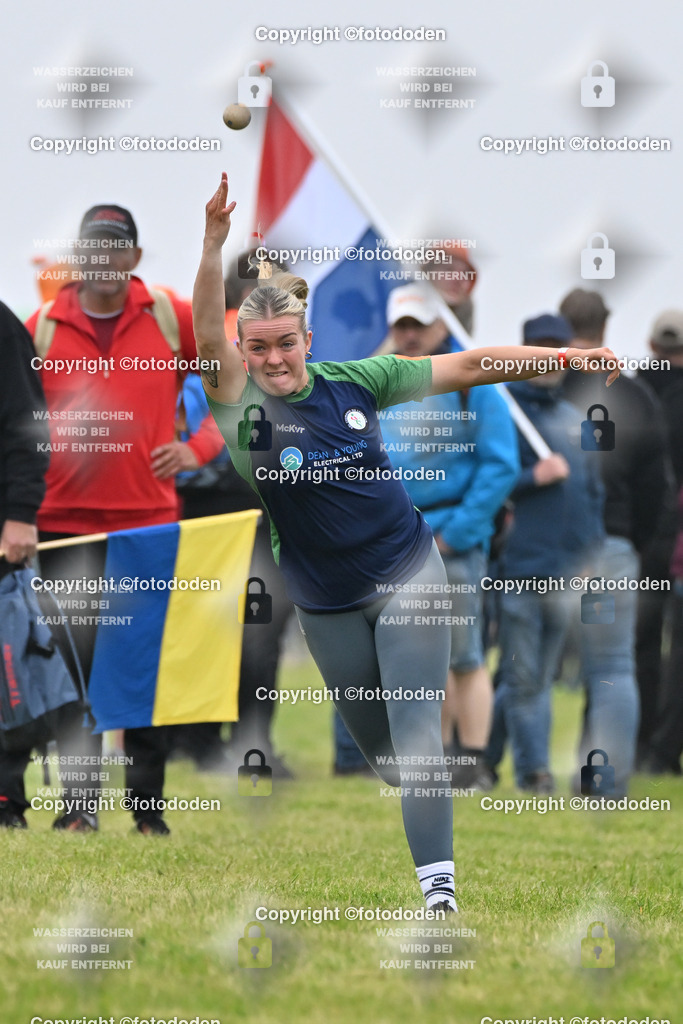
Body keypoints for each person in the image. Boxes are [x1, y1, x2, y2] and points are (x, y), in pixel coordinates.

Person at [193, 173, 619, 912]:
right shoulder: (241, 412)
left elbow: (473, 365)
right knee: (389, 759)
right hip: (325, 598)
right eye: (256, 348)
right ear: (241, 349)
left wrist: (566, 359)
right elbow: (202, 335)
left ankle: (439, 898)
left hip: (407, 570)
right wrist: (211, 244)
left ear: (308, 339)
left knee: (418, 741)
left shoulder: (359, 380)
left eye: (284, 344)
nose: (272, 360)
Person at [11, 205, 226, 835]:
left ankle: (149, 811)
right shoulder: (42, 327)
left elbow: (231, 384)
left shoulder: (170, 317)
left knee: (142, 668)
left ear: (133, 258)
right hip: (60, 524)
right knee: (71, 670)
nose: (104, 261)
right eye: (93, 250)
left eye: (117, 249)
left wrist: (200, 448)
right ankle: (79, 808)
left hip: (147, 525)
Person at [379, 283, 519, 790]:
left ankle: (475, 761)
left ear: (442, 326)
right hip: (394, 541)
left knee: (463, 654)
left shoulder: (472, 382)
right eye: (403, 326)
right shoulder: (380, 383)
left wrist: (457, 533)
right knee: (416, 659)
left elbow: (500, 465)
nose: (411, 335)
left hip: (450, 540)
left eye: (420, 325)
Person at [559, 288, 673, 794]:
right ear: (607, 328)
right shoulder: (635, 395)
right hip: (613, 542)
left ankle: (518, 772)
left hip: (552, 546)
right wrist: (638, 544)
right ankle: (605, 784)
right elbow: (657, 487)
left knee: (529, 664)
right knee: (612, 667)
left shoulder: (546, 390)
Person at [485, 314, 605, 793]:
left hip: (568, 574)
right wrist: (534, 478)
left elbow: (592, 495)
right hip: (519, 570)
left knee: (530, 679)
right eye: (541, 346)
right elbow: (486, 485)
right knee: (524, 680)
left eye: (558, 346)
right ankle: (534, 774)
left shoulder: (574, 421)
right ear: (524, 348)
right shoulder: (501, 413)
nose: (549, 356)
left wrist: (593, 555)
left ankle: (478, 758)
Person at [0, 301, 50, 827]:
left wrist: (19, 514)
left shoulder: (3, 327)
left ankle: (5, 799)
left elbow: (26, 423)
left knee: (5, 669)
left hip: (1, 531)